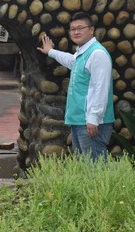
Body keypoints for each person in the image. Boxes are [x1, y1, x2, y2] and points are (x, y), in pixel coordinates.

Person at [36, 12, 114, 160]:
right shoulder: (83, 53)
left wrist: (93, 118)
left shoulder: (97, 54)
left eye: (80, 28)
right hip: (80, 121)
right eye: (72, 29)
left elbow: (101, 89)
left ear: (91, 30)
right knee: (85, 169)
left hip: (90, 123)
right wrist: (50, 52)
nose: (76, 32)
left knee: (95, 170)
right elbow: (71, 61)